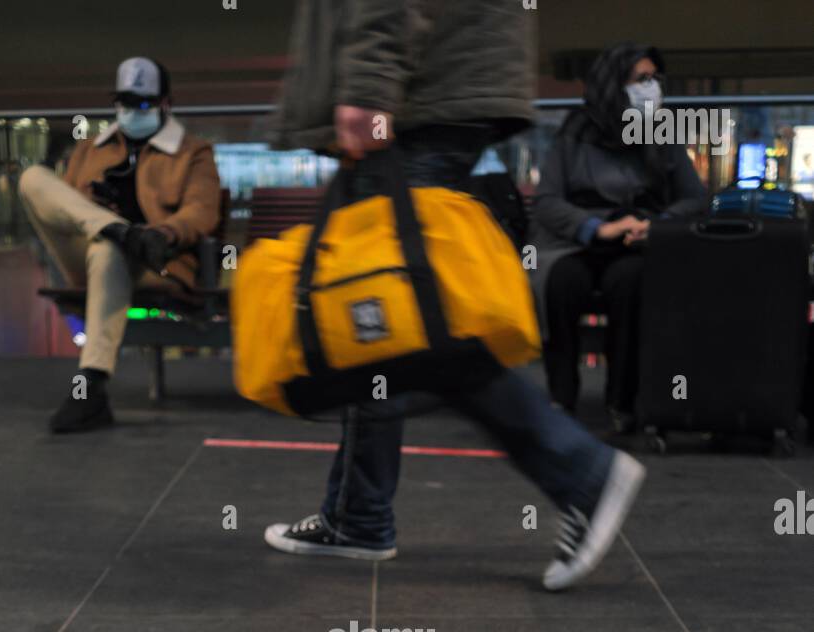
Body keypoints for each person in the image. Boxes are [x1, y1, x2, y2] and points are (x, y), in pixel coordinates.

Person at [263, 1, 645, 592]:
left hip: (419, 92)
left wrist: (369, 84)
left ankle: (581, 471)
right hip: (441, 86)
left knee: (413, 323)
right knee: (384, 315)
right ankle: (358, 517)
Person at [19, 57, 221, 433]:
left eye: (142, 104)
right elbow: (65, 206)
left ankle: (90, 388)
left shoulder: (193, 153)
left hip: (155, 261)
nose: (131, 112)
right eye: (124, 103)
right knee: (33, 177)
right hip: (87, 252)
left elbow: (201, 211)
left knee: (108, 249)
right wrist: (103, 215)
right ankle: (117, 230)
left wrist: (162, 233)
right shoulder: (91, 150)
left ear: (166, 103)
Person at [531, 42, 706, 431]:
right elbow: (547, 200)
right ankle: (561, 397)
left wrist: (656, 223)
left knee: (629, 283)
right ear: (614, 83)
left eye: (655, 79)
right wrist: (597, 228)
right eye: (641, 79)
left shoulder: (662, 133)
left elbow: (694, 198)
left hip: (636, 243)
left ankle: (621, 402)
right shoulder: (575, 132)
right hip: (578, 242)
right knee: (561, 283)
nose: (652, 88)